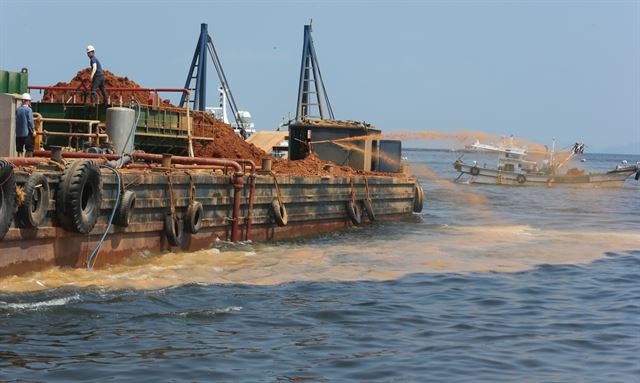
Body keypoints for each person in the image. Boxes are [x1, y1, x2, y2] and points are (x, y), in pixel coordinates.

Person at [15, 93, 36, 157]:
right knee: (29, 148)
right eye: (30, 101)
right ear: (28, 101)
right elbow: (30, 121)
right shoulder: (28, 110)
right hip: (27, 133)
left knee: (19, 149)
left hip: (18, 133)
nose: (30, 102)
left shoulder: (18, 109)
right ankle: (27, 163)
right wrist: (33, 130)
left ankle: (18, 163)